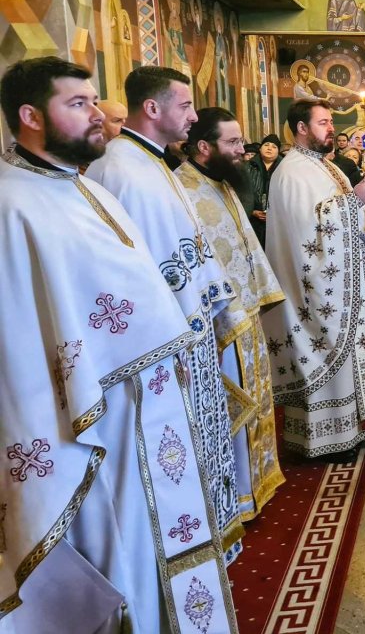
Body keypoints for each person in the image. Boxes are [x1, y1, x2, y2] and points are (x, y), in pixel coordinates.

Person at [0, 57, 236, 633]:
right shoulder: (12, 205)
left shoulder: (84, 188)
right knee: (120, 547)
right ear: (30, 116)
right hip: (91, 424)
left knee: (154, 541)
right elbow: (19, 337)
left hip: (146, 410)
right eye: (77, 105)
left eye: (93, 101)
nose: (97, 116)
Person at [85, 66, 245, 560]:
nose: (194, 117)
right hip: (164, 345)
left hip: (189, 332)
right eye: (185, 106)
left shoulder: (153, 163)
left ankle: (211, 536)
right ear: (152, 109)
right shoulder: (119, 169)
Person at [262, 100, 365, 460]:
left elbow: (338, 213)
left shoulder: (325, 166)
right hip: (316, 289)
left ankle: (354, 426)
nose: (331, 127)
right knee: (324, 350)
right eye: (323, 122)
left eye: (331, 121)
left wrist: (363, 215)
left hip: (342, 282)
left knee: (350, 351)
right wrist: (355, 201)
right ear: (302, 128)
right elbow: (307, 230)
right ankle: (326, 440)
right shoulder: (291, 172)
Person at [178, 107, 287, 521]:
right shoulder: (182, 191)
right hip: (218, 325)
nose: (243, 150)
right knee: (233, 407)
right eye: (233, 143)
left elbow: (245, 243)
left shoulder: (222, 183)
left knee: (255, 398)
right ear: (204, 147)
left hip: (246, 316)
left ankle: (255, 484)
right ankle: (238, 495)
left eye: (241, 142)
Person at [247, 133, 281, 245]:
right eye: (266, 145)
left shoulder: (285, 168)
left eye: (274, 147)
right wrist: (252, 211)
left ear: (278, 151)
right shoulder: (247, 167)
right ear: (260, 148)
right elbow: (240, 193)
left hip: (278, 222)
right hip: (252, 221)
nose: (269, 148)